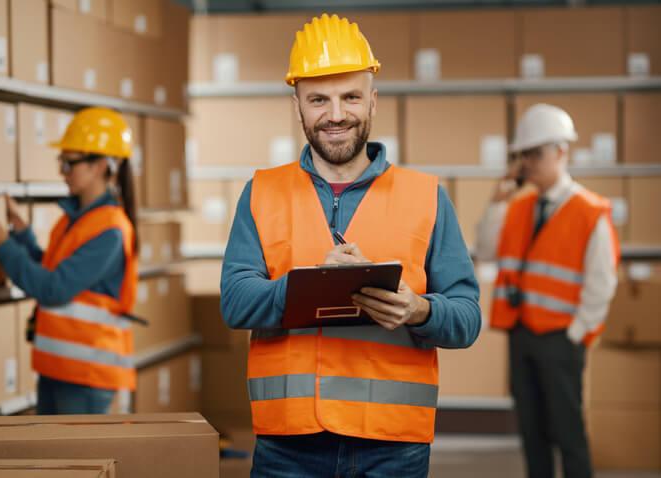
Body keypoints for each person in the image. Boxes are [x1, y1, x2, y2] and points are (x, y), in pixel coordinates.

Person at [220, 14, 481, 477]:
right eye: (318, 99)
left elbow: (467, 318)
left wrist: (418, 311)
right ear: (298, 103)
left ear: (372, 101)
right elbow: (236, 303)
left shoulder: (426, 196)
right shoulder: (262, 193)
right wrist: (310, 286)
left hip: (393, 447)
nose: (336, 115)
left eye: (350, 97)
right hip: (288, 446)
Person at [0, 107, 139, 415]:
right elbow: (53, 271)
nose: (62, 171)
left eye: (70, 163)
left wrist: (0, 243)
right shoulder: (78, 221)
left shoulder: (110, 230)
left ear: (99, 166)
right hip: (60, 369)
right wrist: (23, 237)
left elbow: (53, 288)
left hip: (88, 376)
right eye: (62, 162)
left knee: (78, 464)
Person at [475, 103, 620, 478]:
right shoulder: (519, 207)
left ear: (561, 151)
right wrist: (498, 199)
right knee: (532, 436)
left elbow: (602, 282)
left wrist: (576, 334)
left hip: (561, 340)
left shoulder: (589, 211)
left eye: (535, 153)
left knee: (569, 436)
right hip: (522, 336)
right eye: (523, 155)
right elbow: (487, 250)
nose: (527, 163)